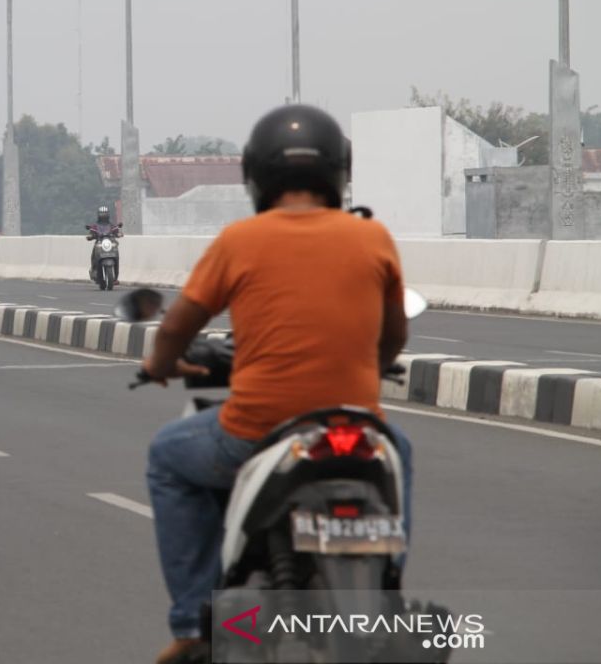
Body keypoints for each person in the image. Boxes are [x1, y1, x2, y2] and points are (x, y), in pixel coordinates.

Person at [140, 105, 411, 664]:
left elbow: (175, 328)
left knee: (167, 456)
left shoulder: (241, 240)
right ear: (339, 171)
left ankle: (194, 622)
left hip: (256, 429)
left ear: (255, 175)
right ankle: (391, 600)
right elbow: (393, 337)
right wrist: (372, 363)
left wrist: (162, 365)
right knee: (399, 451)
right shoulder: (374, 237)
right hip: (355, 425)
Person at [86, 205, 122, 283]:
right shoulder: (95, 226)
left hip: (110, 242)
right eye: (102, 214)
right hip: (99, 242)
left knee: (117, 255)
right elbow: (91, 233)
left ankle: (115, 277)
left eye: (105, 214)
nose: (103, 216)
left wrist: (119, 234)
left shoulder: (112, 225)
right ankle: (94, 269)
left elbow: (117, 231)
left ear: (108, 215)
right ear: (99, 215)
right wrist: (90, 236)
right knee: (93, 255)